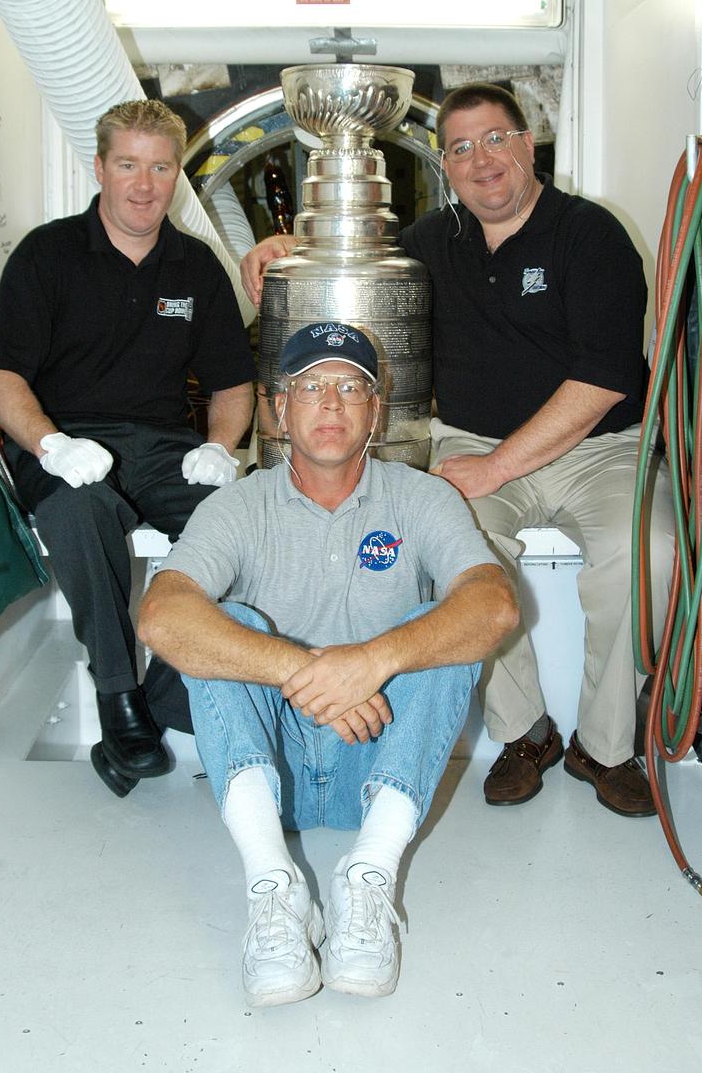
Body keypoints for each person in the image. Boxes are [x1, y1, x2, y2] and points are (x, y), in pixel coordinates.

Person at [240, 82, 675, 819]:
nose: (483, 160)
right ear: (446, 165)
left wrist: (499, 467)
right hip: (473, 440)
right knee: (455, 559)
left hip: (597, 448)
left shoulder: (589, 235)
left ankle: (606, 746)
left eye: (496, 139)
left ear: (526, 146)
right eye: (462, 148)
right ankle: (522, 732)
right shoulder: (429, 245)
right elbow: (355, 280)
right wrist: (289, 250)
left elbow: (602, 382)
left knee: (651, 552)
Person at [138, 322, 518, 1006]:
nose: (331, 404)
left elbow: (494, 607)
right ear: (278, 409)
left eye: (351, 388)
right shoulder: (236, 506)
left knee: (441, 628)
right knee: (226, 624)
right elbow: (161, 615)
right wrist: (302, 670)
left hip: (377, 766)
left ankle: (368, 878)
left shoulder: (423, 497)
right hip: (266, 775)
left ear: (378, 410)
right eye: (310, 387)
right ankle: (274, 888)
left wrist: (370, 661)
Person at [0, 99, 256, 796]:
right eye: (128, 165)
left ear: (176, 176)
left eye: (160, 167)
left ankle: (163, 694)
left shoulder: (195, 267)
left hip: (165, 446)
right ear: (100, 167)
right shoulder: (46, 255)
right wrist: (50, 445)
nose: (144, 184)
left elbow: (232, 384)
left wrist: (221, 449)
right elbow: (5, 378)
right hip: (64, 441)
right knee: (81, 515)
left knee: (244, 524)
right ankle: (118, 699)